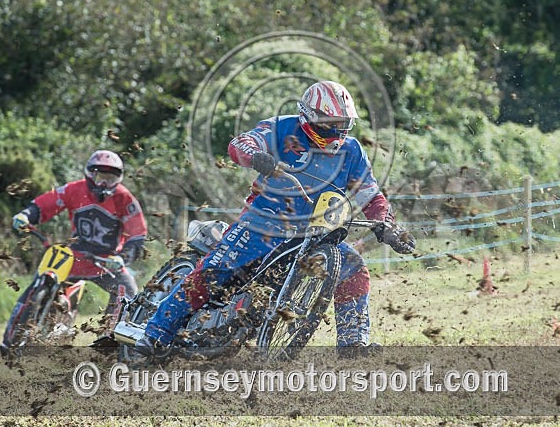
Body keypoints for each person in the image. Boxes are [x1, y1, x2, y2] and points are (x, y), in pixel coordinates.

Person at [136, 80, 414, 356]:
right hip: (263, 223)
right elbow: (240, 143)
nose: (337, 131)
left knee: (353, 266)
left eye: (343, 124)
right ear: (309, 118)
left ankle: (353, 344)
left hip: (317, 231)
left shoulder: (352, 150)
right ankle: (155, 333)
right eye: (330, 123)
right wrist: (257, 156)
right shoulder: (281, 127)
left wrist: (388, 226)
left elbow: (371, 195)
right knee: (214, 272)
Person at [0, 149, 147, 358]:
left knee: (128, 291)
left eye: (111, 178)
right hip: (74, 256)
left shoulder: (125, 199)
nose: (104, 184)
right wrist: (27, 215)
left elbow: (137, 234)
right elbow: (47, 202)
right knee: (37, 285)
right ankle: (7, 347)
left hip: (107, 261)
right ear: (90, 175)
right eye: (100, 176)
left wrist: (123, 258)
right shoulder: (74, 189)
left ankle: (112, 346)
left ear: (119, 178)